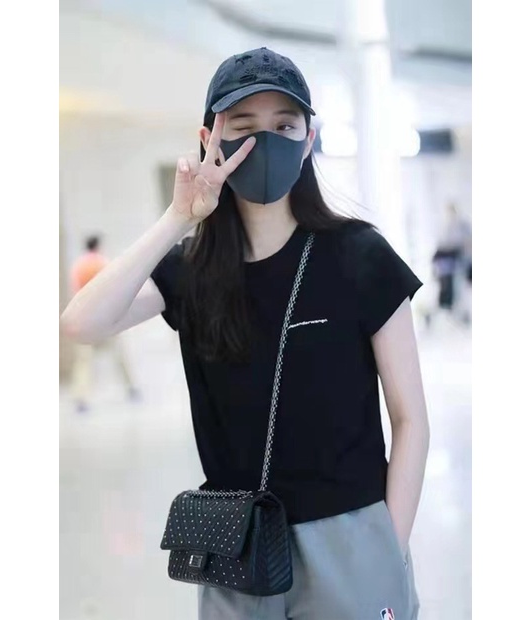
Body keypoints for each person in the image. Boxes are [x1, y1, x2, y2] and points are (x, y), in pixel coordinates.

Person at [61, 47, 430, 619]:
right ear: (209, 139)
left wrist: (389, 546)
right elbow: (81, 323)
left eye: (284, 126)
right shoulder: (191, 269)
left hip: (350, 539)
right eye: (243, 126)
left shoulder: (359, 255)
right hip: (236, 544)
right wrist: (179, 218)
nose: (266, 142)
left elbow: (410, 419)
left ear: (308, 140)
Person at [68, 235, 139, 412]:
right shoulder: (103, 263)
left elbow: (75, 291)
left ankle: (81, 396)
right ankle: (130, 387)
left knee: (84, 360)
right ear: (98, 246)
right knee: (119, 355)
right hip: (104, 317)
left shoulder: (78, 266)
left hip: (84, 318)